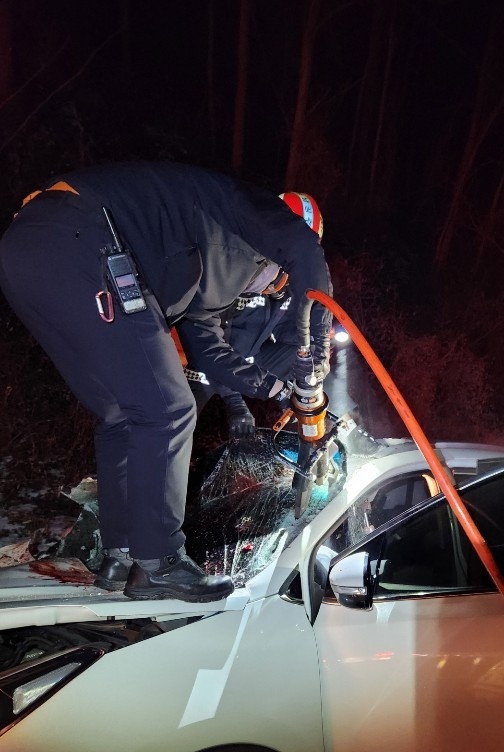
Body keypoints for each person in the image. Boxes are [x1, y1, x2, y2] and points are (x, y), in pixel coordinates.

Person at [0, 162, 333, 602]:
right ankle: (160, 561)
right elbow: (305, 251)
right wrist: (316, 354)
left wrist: (277, 388)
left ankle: (120, 554)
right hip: (83, 235)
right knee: (169, 409)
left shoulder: (201, 272)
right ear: (274, 248)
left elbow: (212, 356)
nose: (273, 290)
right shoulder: (242, 208)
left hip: (25, 252)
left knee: (121, 413)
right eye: (280, 280)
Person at [176, 192, 327, 439]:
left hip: (247, 359)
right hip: (199, 366)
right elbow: (211, 350)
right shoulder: (229, 270)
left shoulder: (284, 280)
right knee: (177, 418)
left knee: (310, 367)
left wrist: (303, 389)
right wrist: (236, 403)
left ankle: (313, 441)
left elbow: (294, 341)